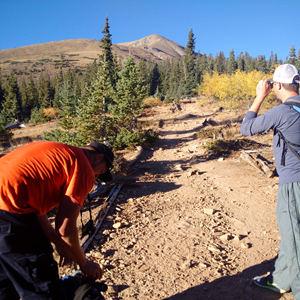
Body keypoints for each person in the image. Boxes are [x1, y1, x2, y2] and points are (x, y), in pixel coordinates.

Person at [0, 140, 114, 300]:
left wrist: (58, 242)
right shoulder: (83, 166)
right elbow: (65, 228)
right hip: (10, 211)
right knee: (41, 285)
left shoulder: (57, 152)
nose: (95, 177)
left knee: (5, 279)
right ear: (98, 157)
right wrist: (84, 263)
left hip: (8, 206)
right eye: (99, 172)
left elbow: (37, 213)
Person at [240, 64, 300, 298]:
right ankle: (280, 280)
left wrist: (259, 97)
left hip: (293, 184)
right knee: (292, 234)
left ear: (276, 85)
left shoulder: (281, 112)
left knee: (294, 239)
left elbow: (247, 128)